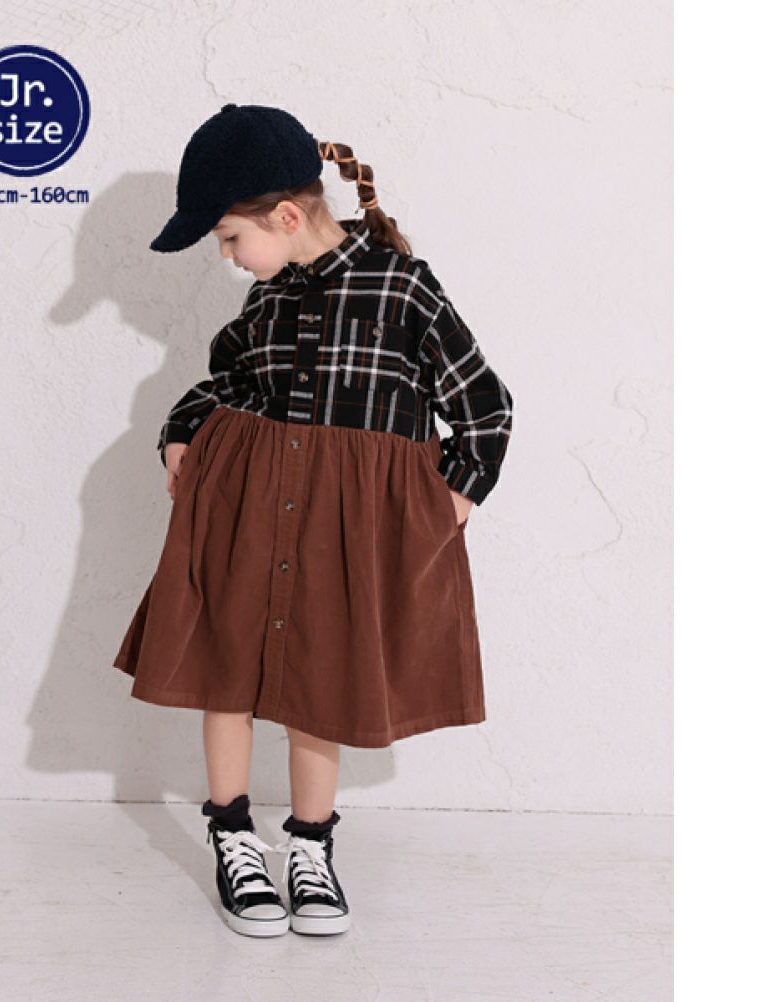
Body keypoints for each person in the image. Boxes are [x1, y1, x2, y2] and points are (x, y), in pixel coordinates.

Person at [112, 103, 515, 938]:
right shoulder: (271, 301)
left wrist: (448, 506)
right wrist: (180, 430)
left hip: (343, 536)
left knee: (319, 683)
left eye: (230, 237)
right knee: (227, 667)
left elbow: (485, 406)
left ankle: (309, 846)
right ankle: (232, 834)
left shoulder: (403, 289)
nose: (228, 256)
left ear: (287, 218)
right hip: (248, 513)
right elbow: (226, 381)